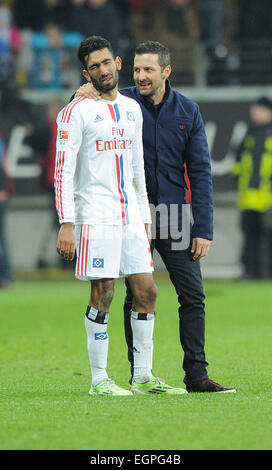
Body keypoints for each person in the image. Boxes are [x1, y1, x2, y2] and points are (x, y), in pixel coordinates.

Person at [75, 40, 236, 393]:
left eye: (148, 69)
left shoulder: (187, 111)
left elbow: (201, 172)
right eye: (136, 69)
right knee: (137, 293)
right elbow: (89, 98)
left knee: (192, 295)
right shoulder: (122, 102)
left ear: (166, 71)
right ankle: (139, 374)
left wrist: (204, 229)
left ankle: (196, 375)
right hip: (134, 213)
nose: (140, 76)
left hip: (175, 215)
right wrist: (81, 90)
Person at [55, 35, 188, 396]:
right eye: (94, 66)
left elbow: (136, 168)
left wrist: (144, 217)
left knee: (147, 290)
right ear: (87, 72)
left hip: (130, 215)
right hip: (94, 214)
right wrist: (66, 221)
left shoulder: (131, 108)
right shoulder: (75, 111)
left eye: (106, 62)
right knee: (105, 290)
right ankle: (99, 379)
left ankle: (142, 375)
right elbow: (63, 170)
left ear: (117, 62)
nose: (102, 70)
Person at [231, 96, 272, 279]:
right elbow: (238, 163)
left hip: (268, 198)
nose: (255, 113)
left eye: (260, 110)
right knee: (249, 237)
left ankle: (266, 273)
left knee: (268, 238)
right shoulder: (249, 134)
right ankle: (250, 272)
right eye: (254, 109)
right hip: (248, 198)